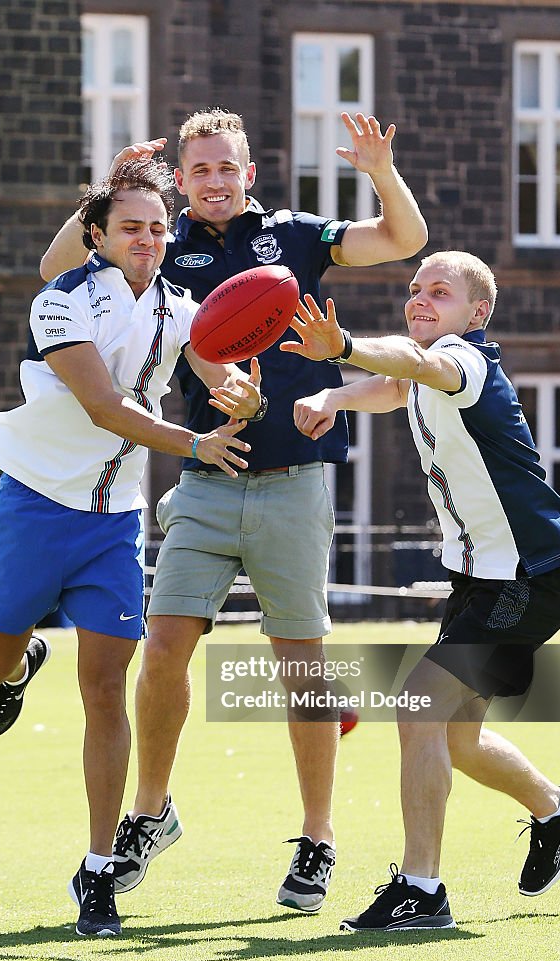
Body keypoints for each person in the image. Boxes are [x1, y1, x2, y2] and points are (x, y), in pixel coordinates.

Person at [40, 109, 428, 913]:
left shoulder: (294, 235)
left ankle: (317, 839)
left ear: (249, 173)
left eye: (227, 168)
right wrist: (111, 189)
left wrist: (380, 171)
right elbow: (54, 270)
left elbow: (401, 241)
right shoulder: (155, 241)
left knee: (301, 666)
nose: (214, 181)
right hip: (207, 472)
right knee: (166, 645)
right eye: (200, 170)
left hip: (294, 479)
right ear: (180, 179)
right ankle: (151, 812)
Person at [0, 158, 262, 938]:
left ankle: (99, 871)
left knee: (105, 689)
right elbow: (103, 406)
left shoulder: (182, 308)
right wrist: (195, 443)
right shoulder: (60, 300)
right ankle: (19, 662)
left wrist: (245, 390)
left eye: (159, 228)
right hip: (35, 500)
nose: (148, 240)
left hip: (113, 520)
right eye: (131, 227)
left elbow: (217, 366)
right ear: (96, 236)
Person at [283, 249, 560, 931]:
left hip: (528, 577)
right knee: (456, 736)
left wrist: (342, 348)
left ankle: (421, 892)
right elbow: (397, 385)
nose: (421, 299)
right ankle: (557, 809)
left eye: (441, 293)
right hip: (484, 577)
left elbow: (417, 365)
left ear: (477, 313)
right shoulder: (424, 373)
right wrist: (337, 392)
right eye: (414, 289)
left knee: (418, 706)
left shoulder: (465, 361)